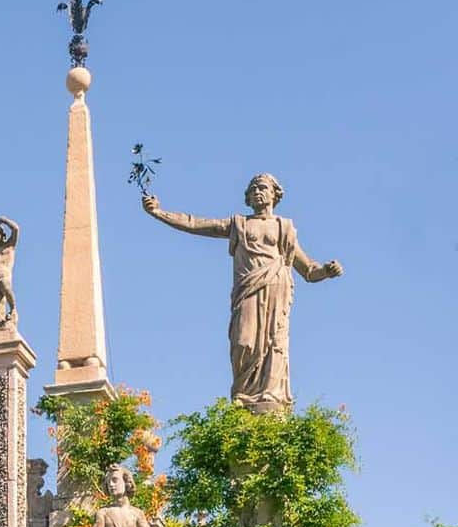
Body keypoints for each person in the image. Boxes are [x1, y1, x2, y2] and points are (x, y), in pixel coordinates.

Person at [142, 173, 342, 413]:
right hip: (247, 291)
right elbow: (196, 223)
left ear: (274, 195)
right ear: (247, 198)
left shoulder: (285, 227)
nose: (258, 192)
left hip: (275, 291)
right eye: (253, 189)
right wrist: (159, 213)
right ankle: (243, 393)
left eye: (263, 188)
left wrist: (327, 271)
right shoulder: (239, 224)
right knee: (243, 341)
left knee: (274, 345)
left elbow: (309, 270)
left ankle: (271, 394)